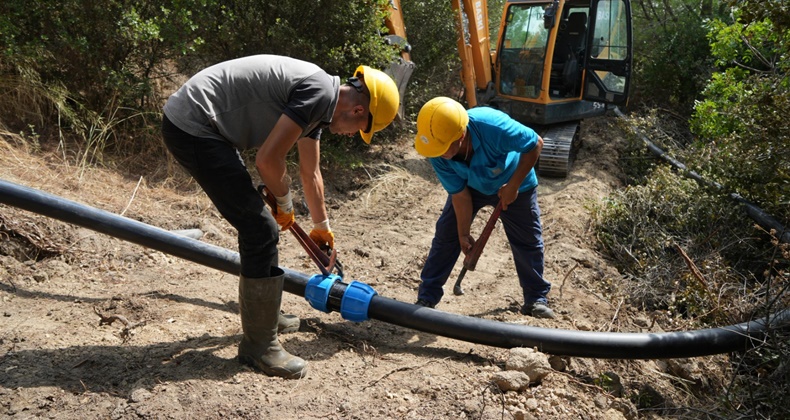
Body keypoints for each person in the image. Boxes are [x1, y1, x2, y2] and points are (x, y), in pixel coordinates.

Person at [161, 55, 399, 379]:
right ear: (359, 111)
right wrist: (283, 203)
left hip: (208, 127)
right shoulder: (317, 94)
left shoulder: (321, 101)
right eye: (361, 129)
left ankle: (265, 318)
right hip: (193, 125)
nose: (352, 135)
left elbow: (310, 172)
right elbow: (267, 160)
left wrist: (322, 229)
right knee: (260, 228)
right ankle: (259, 345)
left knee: (261, 225)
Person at [412, 97, 555, 319]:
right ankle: (427, 297)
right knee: (446, 235)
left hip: (515, 181)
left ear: (460, 135)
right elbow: (460, 195)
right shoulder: (435, 147)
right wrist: (463, 234)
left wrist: (514, 185)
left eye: (444, 148)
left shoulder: (493, 126)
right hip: (471, 185)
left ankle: (535, 299)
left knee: (527, 240)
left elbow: (535, 143)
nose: (439, 153)